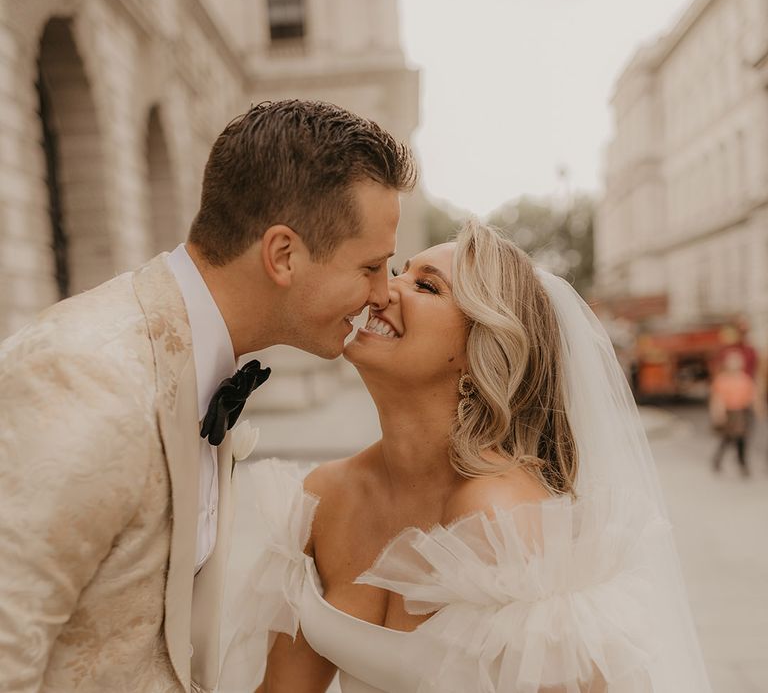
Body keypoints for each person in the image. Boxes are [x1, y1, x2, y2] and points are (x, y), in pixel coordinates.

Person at [0, 100, 415, 692]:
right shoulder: (86, 378)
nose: (383, 293)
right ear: (283, 255)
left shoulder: (195, 362)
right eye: (371, 267)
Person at [221, 219, 712, 692]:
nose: (385, 290)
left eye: (428, 287)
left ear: (484, 349)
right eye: (400, 272)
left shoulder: (502, 521)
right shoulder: (324, 497)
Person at [709, 350, 757, 476]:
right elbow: (717, 398)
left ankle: (742, 463)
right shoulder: (722, 380)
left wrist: (757, 408)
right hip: (729, 412)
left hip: (742, 412)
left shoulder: (745, 379)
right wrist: (718, 413)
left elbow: (752, 395)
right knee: (728, 438)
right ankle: (718, 459)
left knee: (741, 439)